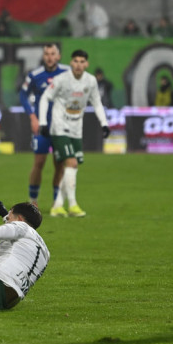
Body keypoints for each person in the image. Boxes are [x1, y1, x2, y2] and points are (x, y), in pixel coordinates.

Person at [38, 49, 109, 218]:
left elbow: (97, 102)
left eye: (82, 61)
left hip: (77, 129)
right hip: (59, 126)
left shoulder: (90, 81)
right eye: (76, 61)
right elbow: (45, 98)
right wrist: (43, 122)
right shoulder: (61, 79)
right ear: (71, 62)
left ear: (87, 64)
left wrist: (104, 123)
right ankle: (73, 205)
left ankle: (57, 205)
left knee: (72, 166)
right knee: (71, 163)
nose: (78, 65)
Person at [18, 43, 70, 208]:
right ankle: (33, 200)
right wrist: (32, 117)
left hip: (61, 127)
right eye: (47, 54)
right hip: (42, 127)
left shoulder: (67, 72)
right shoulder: (35, 75)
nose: (49, 57)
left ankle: (57, 202)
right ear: (43, 56)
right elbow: (23, 95)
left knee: (59, 165)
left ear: (58, 56)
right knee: (39, 163)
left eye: (52, 54)